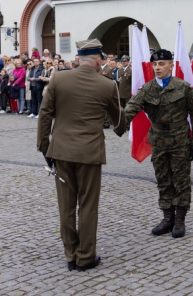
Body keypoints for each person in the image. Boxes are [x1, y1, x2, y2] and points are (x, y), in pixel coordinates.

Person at [38, 39, 125, 272]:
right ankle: (85, 257)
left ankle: (70, 255)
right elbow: (118, 122)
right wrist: (124, 121)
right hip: (89, 153)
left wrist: (43, 146)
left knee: (66, 206)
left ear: (78, 58)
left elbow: (45, 113)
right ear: (98, 60)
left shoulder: (59, 78)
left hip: (61, 151)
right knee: (87, 205)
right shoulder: (107, 85)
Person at [122, 48, 193, 239]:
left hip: (180, 139)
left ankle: (180, 220)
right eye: (155, 64)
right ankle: (167, 218)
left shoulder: (183, 87)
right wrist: (115, 122)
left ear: (171, 65)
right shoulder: (147, 89)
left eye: (162, 64)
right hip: (158, 140)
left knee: (181, 180)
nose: (157, 68)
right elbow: (131, 109)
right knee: (163, 179)